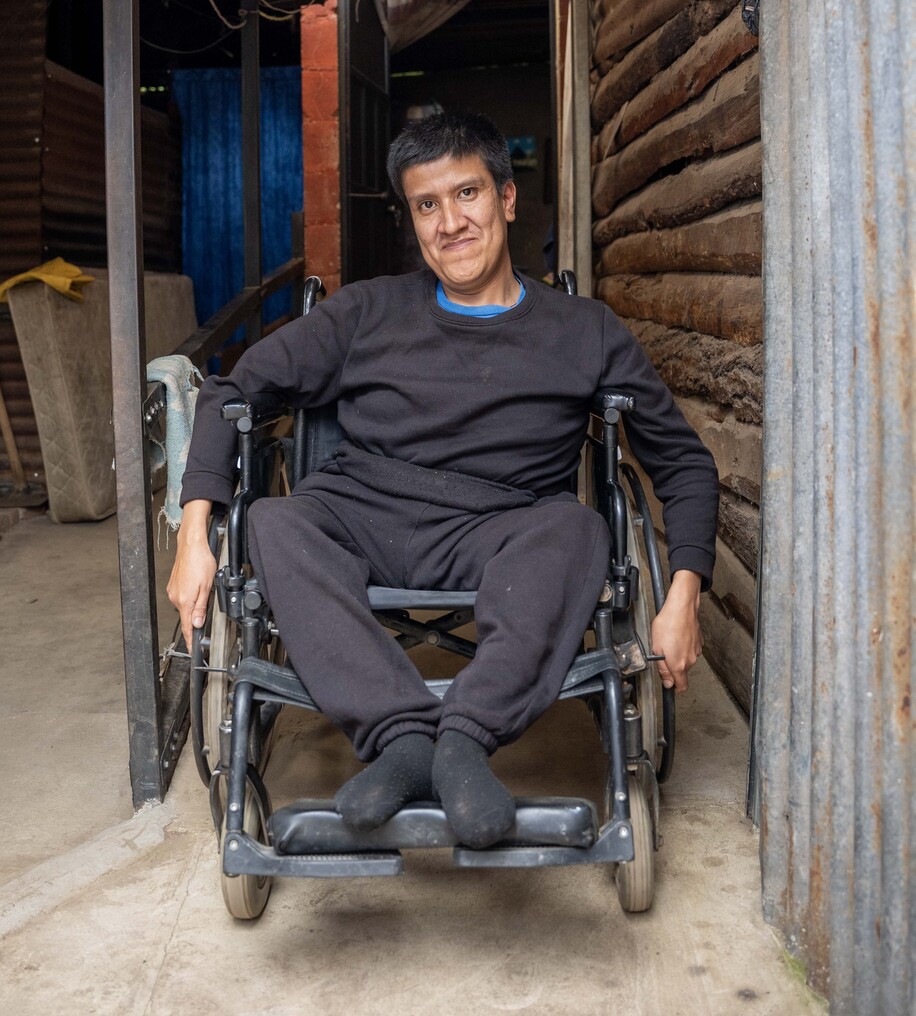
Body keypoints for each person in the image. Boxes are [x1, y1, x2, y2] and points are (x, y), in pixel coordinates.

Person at [168, 112, 718, 849]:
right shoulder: (366, 312)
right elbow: (231, 392)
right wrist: (195, 536)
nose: (450, 222)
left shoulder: (584, 331)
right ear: (412, 219)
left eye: (467, 194)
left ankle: (464, 740)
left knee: (580, 528)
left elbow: (682, 462)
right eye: (428, 204)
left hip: (507, 525)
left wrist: (683, 595)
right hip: (364, 511)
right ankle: (402, 740)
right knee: (275, 520)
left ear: (507, 199)